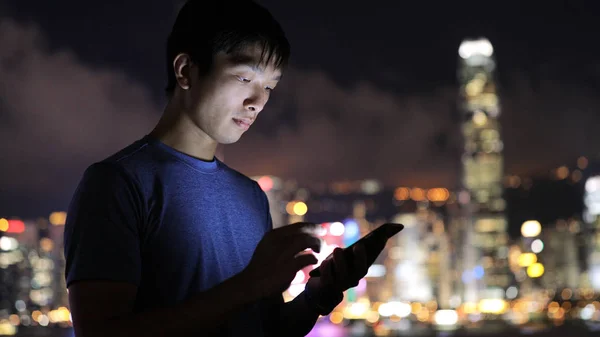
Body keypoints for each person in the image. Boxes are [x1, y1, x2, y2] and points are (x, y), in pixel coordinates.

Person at [63, 1, 370, 336]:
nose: (258, 101)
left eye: (269, 86)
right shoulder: (116, 183)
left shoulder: (250, 196)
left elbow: (263, 326)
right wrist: (249, 285)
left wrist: (316, 296)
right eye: (244, 77)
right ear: (186, 71)